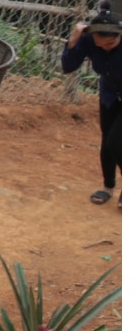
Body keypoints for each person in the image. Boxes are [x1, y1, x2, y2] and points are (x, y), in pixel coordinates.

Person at [60, 11, 121, 206]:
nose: (104, 48)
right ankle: (108, 187)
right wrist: (73, 40)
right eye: (99, 45)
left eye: (110, 44)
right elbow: (68, 66)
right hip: (110, 95)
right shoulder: (88, 40)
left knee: (115, 142)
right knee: (107, 140)